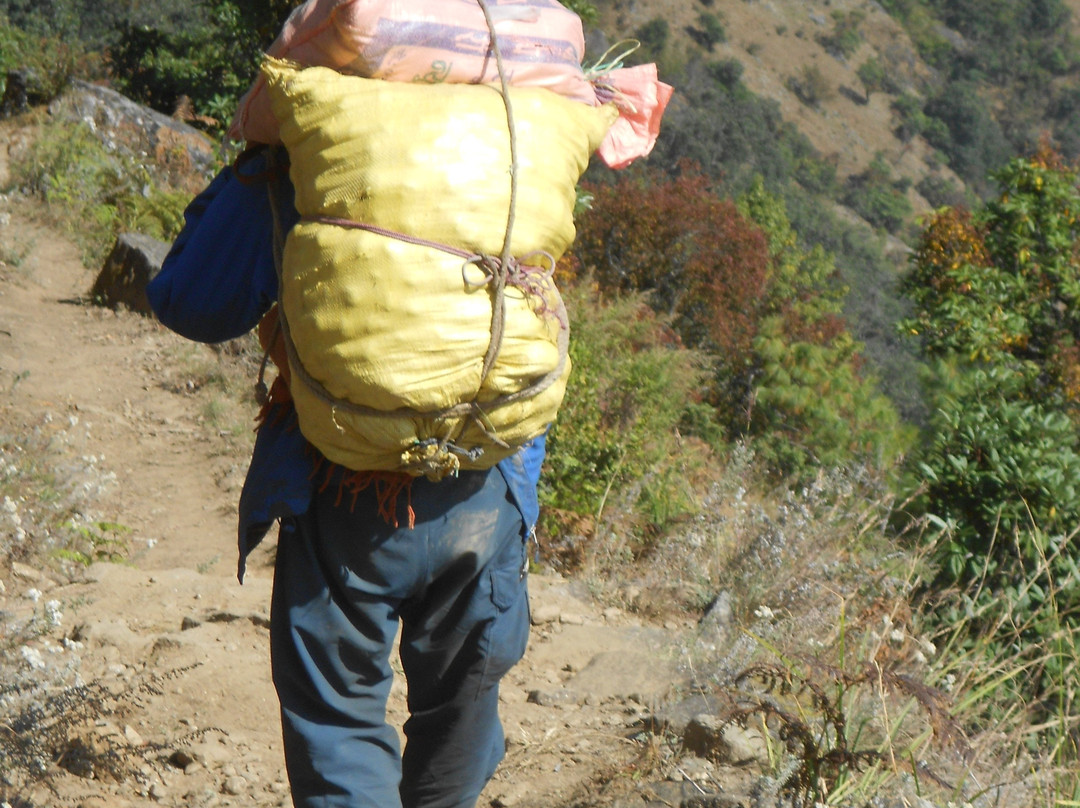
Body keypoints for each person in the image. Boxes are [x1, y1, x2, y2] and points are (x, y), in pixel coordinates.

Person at [146, 144, 543, 808]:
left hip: (343, 486)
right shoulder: (513, 132)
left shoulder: (313, 136)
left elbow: (193, 302)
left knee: (337, 722)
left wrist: (254, 165)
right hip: (489, 479)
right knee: (462, 708)